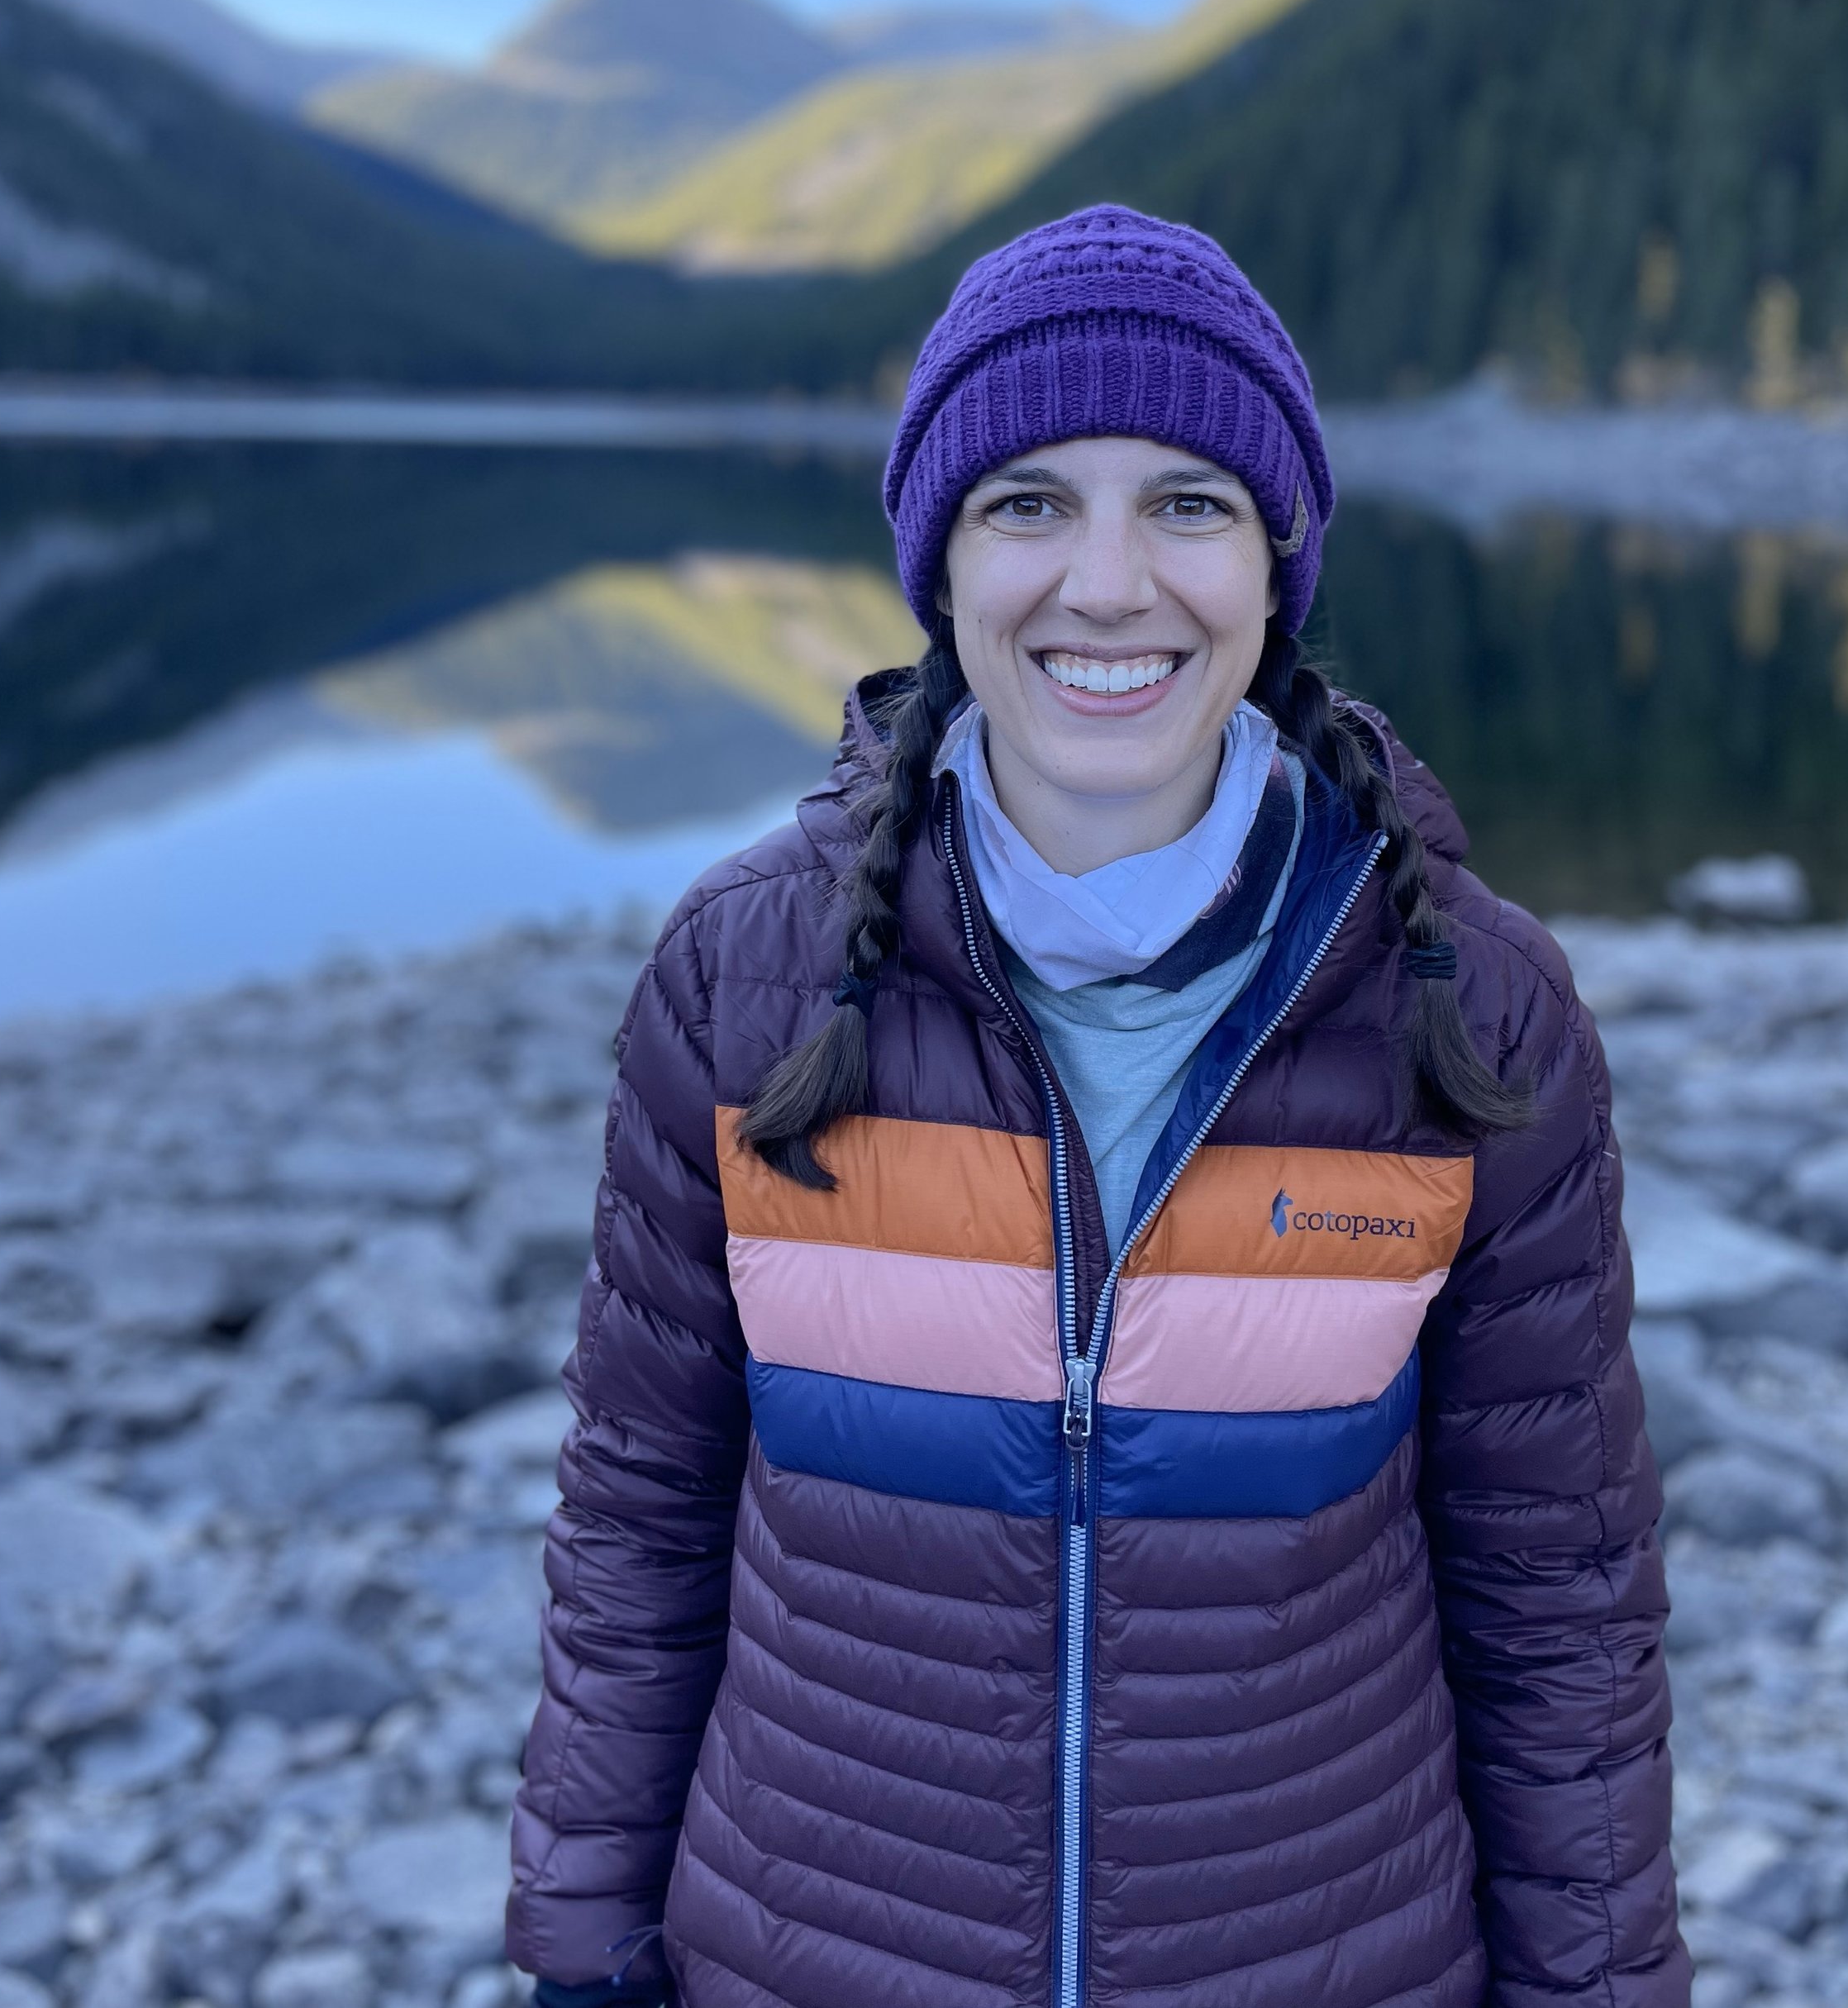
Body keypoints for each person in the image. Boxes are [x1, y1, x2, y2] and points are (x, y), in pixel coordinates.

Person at [507, 206, 1685, 2008]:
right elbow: (639, 1525)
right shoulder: (737, 985)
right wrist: (583, 1964)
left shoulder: (1470, 1013)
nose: (1110, 582)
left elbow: (1559, 1605)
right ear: (944, 561)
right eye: (1030, 501)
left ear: (1274, 563)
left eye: (1187, 502)